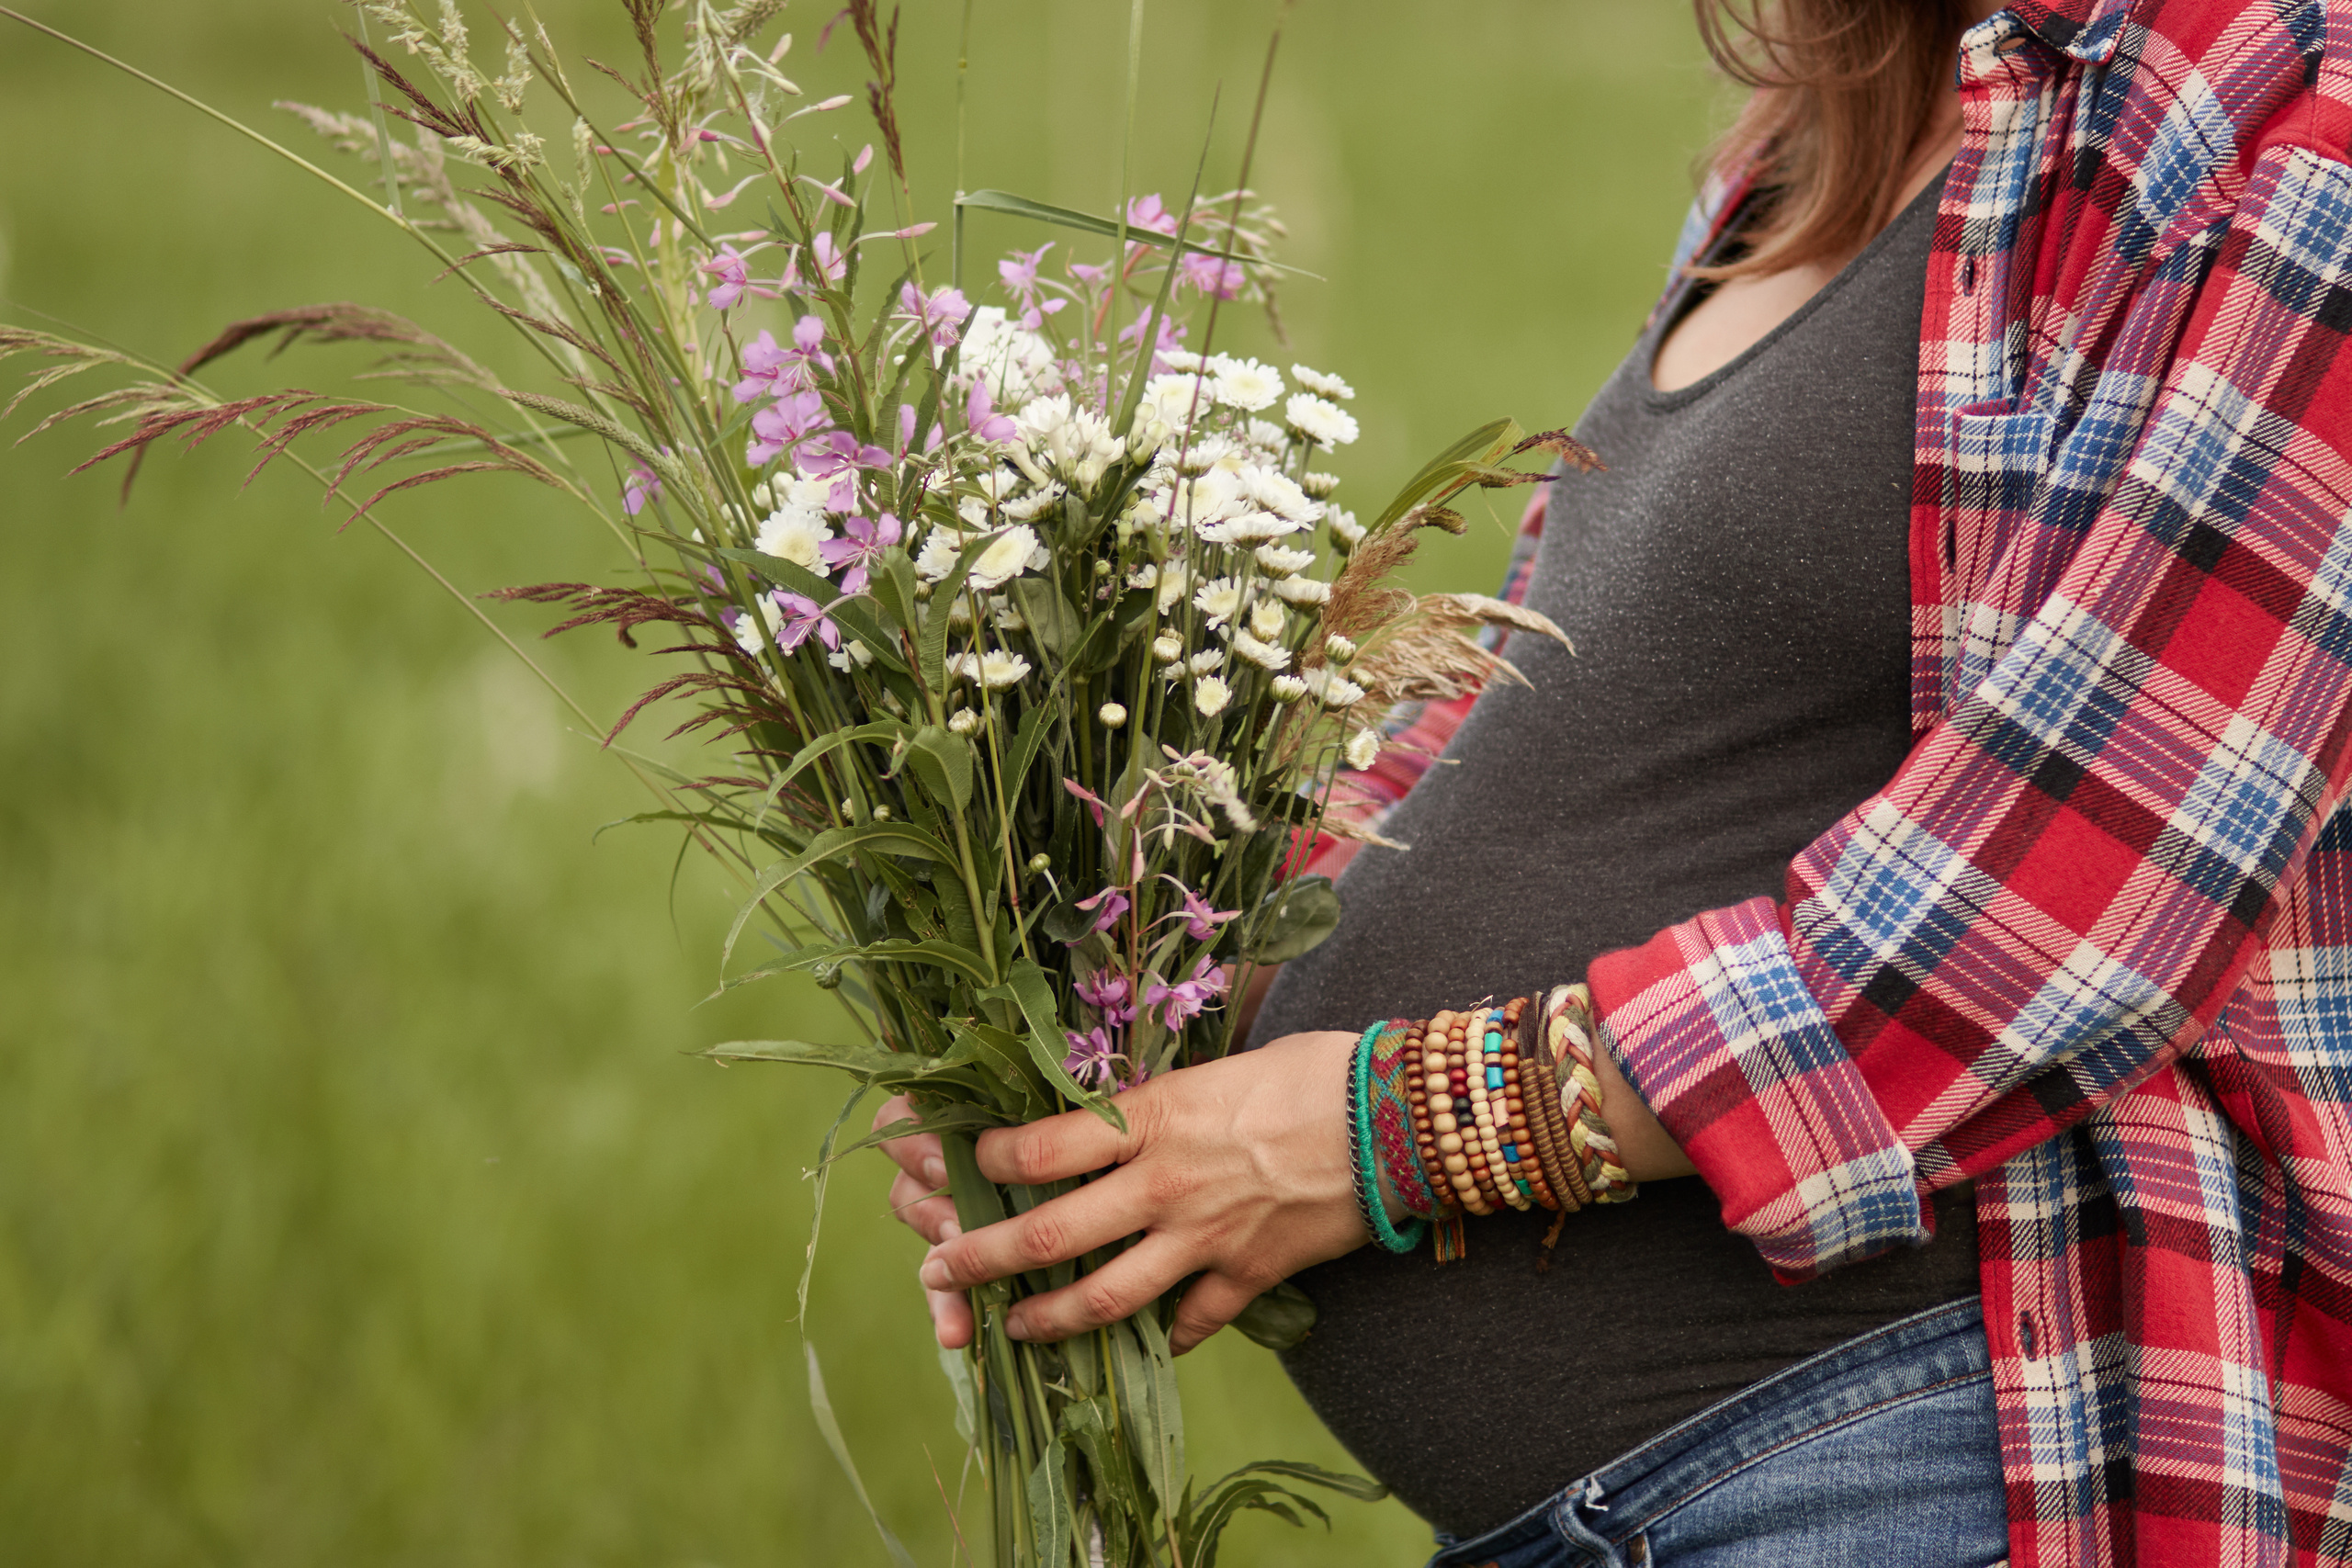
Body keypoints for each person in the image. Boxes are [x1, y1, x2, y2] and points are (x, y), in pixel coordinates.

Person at [882, 1, 2352, 1562]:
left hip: (1907, 1477)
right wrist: (1161, 1009)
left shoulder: (2292, 112)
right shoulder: (1842, 118)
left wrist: (1374, 1133)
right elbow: (1566, 688)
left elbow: (2076, 900)